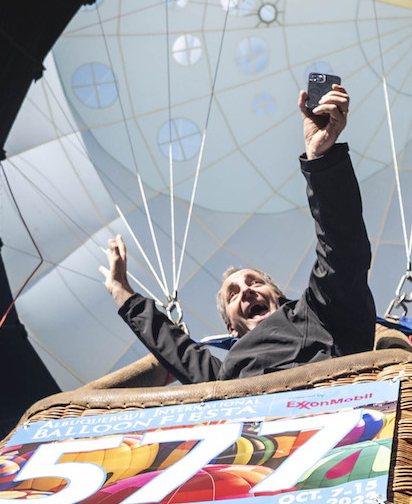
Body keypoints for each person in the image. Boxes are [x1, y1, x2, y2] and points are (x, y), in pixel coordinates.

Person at [103, 83, 376, 383]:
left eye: (255, 283)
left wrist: (321, 159)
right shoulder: (225, 375)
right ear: (231, 328)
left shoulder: (319, 314)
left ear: (280, 296)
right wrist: (122, 292)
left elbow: (342, 248)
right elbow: (174, 347)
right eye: (233, 294)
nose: (246, 290)